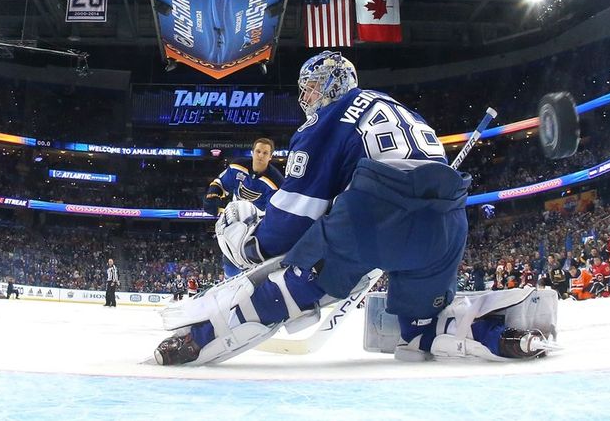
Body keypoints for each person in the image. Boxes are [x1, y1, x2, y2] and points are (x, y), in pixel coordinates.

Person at [154, 51, 555, 365]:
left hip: (372, 217)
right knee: (422, 330)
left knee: (286, 291)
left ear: (332, 83)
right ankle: (501, 334)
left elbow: (294, 221)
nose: (305, 97)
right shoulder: (400, 108)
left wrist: (252, 247)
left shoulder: (327, 119)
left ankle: (198, 338)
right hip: (447, 225)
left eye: (310, 86)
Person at [202, 138, 285, 278]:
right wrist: (212, 196)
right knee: (230, 258)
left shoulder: (276, 182)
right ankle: (230, 283)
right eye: (258, 151)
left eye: (265, 153)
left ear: (270, 157)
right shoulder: (237, 167)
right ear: (252, 153)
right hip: (236, 218)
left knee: (254, 260)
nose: (260, 155)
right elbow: (220, 183)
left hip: (260, 226)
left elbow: (275, 213)